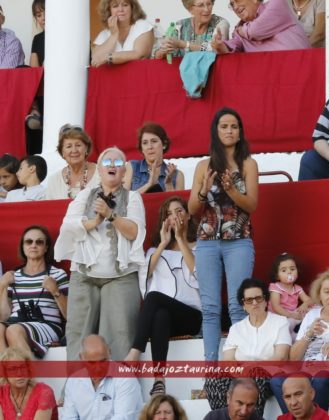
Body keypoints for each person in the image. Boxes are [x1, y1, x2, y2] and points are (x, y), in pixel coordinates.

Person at [54, 146, 145, 360]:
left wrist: (111, 215)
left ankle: (118, 390)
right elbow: (67, 227)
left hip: (120, 276)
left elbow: (135, 232)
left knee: (119, 335)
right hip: (84, 275)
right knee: (78, 335)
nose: (112, 166)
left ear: (124, 172)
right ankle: (77, 390)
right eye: (106, 163)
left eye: (118, 163)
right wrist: (95, 221)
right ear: (100, 171)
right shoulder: (85, 195)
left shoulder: (133, 198)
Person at [188, 107, 258, 361]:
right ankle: (211, 371)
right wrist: (203, 191)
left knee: (238, 307)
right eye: (224, 126)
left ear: (240, 133)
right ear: (216, 132)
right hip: (207, 242)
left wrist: (231, 190)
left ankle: (238, 365)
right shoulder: (203, 166)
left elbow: (251, 205)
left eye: (234, 127)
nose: (229, 131)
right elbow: (193, 210)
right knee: (210, 309)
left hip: (238, 241)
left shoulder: (249, 164)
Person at [125, 196, 202, 396]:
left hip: (192, 316)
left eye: (179, 211)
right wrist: (164, 243)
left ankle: (135, 351)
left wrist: (180, 240)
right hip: (168, 319)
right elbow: (145, 276)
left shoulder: (201, 246)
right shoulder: (154, 251)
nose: (174, 216)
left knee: (154, 298)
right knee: (160, 315)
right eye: (169, 213)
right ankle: (159, 380)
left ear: (188, 215)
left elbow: (199, 275)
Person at [270, 268, 329, 412]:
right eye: (327, 292)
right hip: (309, 371)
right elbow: (294, 358)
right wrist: (309, 333)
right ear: (320, 295)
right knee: (278, 381)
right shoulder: (312, 315)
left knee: (322, 377)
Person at [218, 278, 291, 415]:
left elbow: (281, 356)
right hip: (239, 377)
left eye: (258, 298)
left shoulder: (280, 322)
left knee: (256, 375)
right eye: (249, 300)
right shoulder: (236, 329)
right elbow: (227, 361)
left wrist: (252, 367)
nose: (255, 303)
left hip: (268, 377)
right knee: (214, 379)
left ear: (266, 300)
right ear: (243, 304)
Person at [0, 225, 68, 358]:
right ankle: (6, 377)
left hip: (47, 325)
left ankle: (28, 378)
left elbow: (71, 316)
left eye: (39, 242)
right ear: (23, 246)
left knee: (14, 330)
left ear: (46, 247)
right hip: (16, 322)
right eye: (29, 241)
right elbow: (3, 317)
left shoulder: (57, 274)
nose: (33, 245)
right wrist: (2, 285)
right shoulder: (13, 277)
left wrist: (55, 291)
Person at [61, 334, 142, 420]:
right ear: (82, 358)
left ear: (109, 353)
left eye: (103, 361)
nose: (98, 367)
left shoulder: (125, 377)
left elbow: (123, 417)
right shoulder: (73, 381)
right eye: (92, 363)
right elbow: (68, 417)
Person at [211, 0, 310, 54]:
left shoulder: (277, 4)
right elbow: (233, 47)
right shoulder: (239, 30)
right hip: (271, 81)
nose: (235, 7)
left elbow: (254, 31)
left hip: (300, 70)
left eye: (237, 0)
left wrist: (241, 31)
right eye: (232, 4)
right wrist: (221, 46)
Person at [154, 0, 229, 59]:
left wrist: (183, 44)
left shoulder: (220, 24)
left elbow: (215, 50)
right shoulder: (179, 26)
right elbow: (158, 55)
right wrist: (163, 51)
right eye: (201, 5)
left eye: (209, 4)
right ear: (190, 9)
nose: (206, 9)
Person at [124, 122, 185, 193]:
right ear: (142, 148)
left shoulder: (177, 175)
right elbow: (123, 201)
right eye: (145, 143)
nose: (150, 147)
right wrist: (149, 184)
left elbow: (179, 203)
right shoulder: (132, 166)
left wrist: (169, 185)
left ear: (164, 144)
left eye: (154, 141)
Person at [91, 0, 154, 67]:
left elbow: (140, 55)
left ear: (132, 8)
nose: (120, 9)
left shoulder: (142, 26)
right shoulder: (104, 34)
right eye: (115, 6)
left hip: (138, 75)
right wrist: (114, 35)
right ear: (109, 11)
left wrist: (108, 57)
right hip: (113, 77)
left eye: (125, 5)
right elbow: (95, 59)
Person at [0, 347, 58, 419]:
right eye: (13, 369)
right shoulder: (1, 393)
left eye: (23, 367)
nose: (19, 374)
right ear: (4, 373)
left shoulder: (44, 392)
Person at [46, 124, 99, 200]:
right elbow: (48, 210)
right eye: (69, 146)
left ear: (86, 148)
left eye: (78, 145)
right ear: (62, 152)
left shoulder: (102, 174)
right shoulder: (54, 181)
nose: (74, 150)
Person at [268, 252, 312, 335]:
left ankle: (301, 329)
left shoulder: (297, 288)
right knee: (287, 324)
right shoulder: (275, 287)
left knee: (314, 308)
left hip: (293, 314)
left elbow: (309, 300)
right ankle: (289, 335)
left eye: (292, 269)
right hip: (279, 316)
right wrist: (290, 315)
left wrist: (305, 304)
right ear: (277, 276)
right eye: (284, 270)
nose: (289, 272)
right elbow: (276, 307)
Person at [25, 0, 46, 133]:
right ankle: (35, 112)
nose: (43, 18)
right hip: (44, 88)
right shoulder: (38, 39)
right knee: (23, 69)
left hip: (65, 87)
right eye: (39, 15)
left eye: (46, 13)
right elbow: (34, 71)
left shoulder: (71, 35)